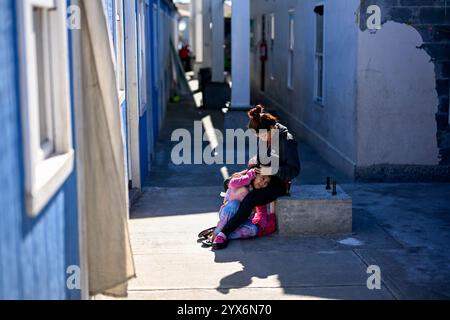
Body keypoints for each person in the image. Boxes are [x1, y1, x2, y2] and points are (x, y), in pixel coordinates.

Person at [212, 105, 301, 250]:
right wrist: (247, 170)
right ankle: (233, 219)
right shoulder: (267, 135)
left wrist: (271, 170)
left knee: (250, 199)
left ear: (272, 127)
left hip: (278, 183)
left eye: (263, 136)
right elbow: (262, 159)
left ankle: (224, 232)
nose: (262, 139)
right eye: (259, 137)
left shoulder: (287, 141)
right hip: (260, 174)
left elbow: (294, 170)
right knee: (229, 182)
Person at [201, 167, 277, 248]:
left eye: (266, 183)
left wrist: (260, 226)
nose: (263, 183)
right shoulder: (241, 181)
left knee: (253, 230)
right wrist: (250, 174)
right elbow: (232, 183)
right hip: (227, 213)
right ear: (256, 174)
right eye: (262, 178)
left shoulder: (258, 195)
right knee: (235, 204)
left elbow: (262, 212)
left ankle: (221, 234)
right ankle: (217, 233)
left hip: (240, 222)